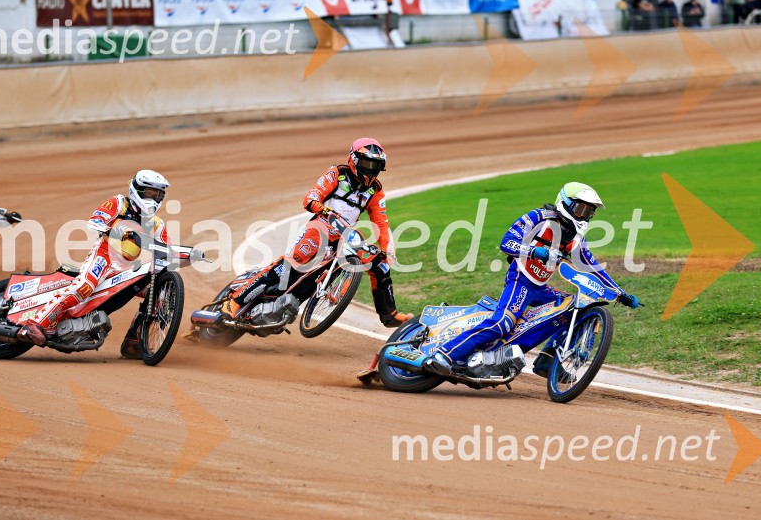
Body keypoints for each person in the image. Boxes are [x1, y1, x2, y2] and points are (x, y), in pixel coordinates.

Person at [407, 183, 640, 377]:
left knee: (576, 307)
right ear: (565, 203)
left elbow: (592, 267)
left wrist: (619, 292)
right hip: (521, 279)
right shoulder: (540, 217)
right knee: (502, 323)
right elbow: (506, 242)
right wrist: (533, 251)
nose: (584, 216)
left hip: (541, 288)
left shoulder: (577, 236)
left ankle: (548, 360)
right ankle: (443, 354)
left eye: (590, 212)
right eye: (580, 209)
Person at [226, 138, 412, 328]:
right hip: (321, 226)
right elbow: (310, 198)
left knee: (380, 265)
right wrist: (322, 209)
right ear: (354, 160)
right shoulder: (337, 174)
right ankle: (236, 301)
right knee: (288, 267)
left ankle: (389, 314)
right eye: (367, 163)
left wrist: (388, 251)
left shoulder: (375, 190)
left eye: (376, 165)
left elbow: (381, 222)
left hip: (345, 234)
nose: (371, 169)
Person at [18, 169, 173, 359]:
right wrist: (113, 230)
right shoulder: (119, 203)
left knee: (155, 294)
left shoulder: (157, 223)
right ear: (137, 190)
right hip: (104, 256)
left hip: (126, 268)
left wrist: (190, 255)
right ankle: (35, 323)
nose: (153, 198)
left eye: (158, 194)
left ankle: (134, 342)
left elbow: (168, 248)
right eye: (149, 192)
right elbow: (95, 221)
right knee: (83, 286)